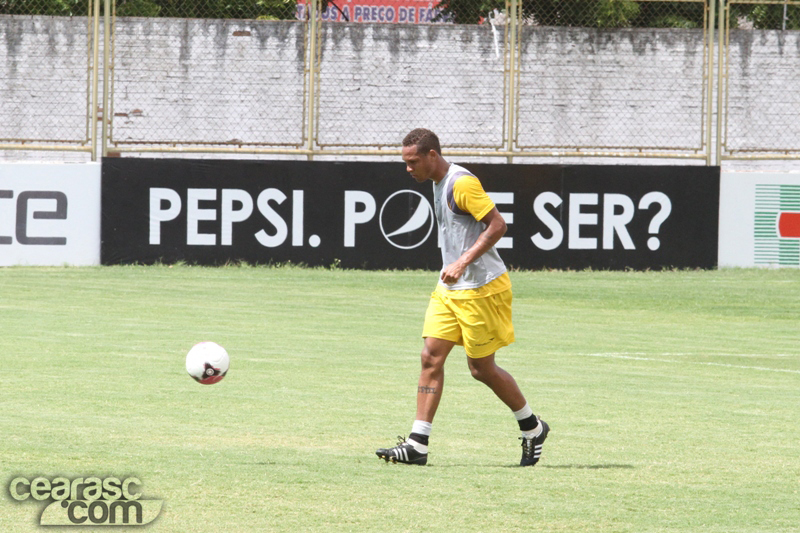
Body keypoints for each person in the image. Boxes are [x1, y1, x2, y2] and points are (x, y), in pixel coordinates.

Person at [376, 128, 549, 467]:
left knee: (481, 369)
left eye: (412, 162)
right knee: (430, 357)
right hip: (450, 289)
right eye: (405, 162)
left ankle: (532, 427)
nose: (408, 169)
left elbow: (498, 225)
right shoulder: (438, 183)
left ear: (432, 156)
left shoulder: (461, 183)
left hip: (481, 288)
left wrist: (461, 261)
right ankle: (418, 443)